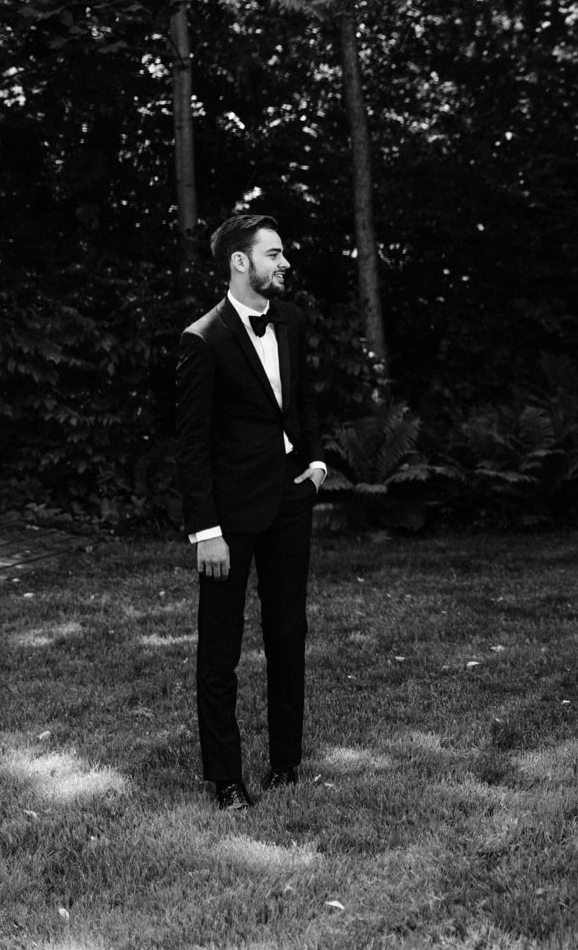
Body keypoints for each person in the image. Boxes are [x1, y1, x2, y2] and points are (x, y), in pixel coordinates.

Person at [176, 214, 327, 811]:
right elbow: (191, 447)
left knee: (288, 635)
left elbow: (304, 398)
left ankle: (286, 764)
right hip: (230, 517)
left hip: (291, 501)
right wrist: (206, 532)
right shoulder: (203, 338)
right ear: (241, 262)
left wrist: (314, 465)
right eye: (274, 253)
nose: (283, 263)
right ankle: (227, 778)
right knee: (221, 650)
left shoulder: (289, 320)